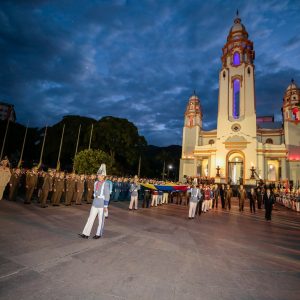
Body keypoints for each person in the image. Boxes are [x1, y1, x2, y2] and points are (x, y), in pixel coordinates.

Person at [78, 164, 110, 239]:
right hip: (95, 202)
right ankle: (85, 233)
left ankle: (98, 234)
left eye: (100, 175)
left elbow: (107, 196)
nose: (98, 176)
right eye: (98, 175)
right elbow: (95, 192)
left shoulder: (106, 184)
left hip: (102, 204)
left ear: (103, 176)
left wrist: (105, 206)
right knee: (90, 218)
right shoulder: (95, 183)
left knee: (100, 221)